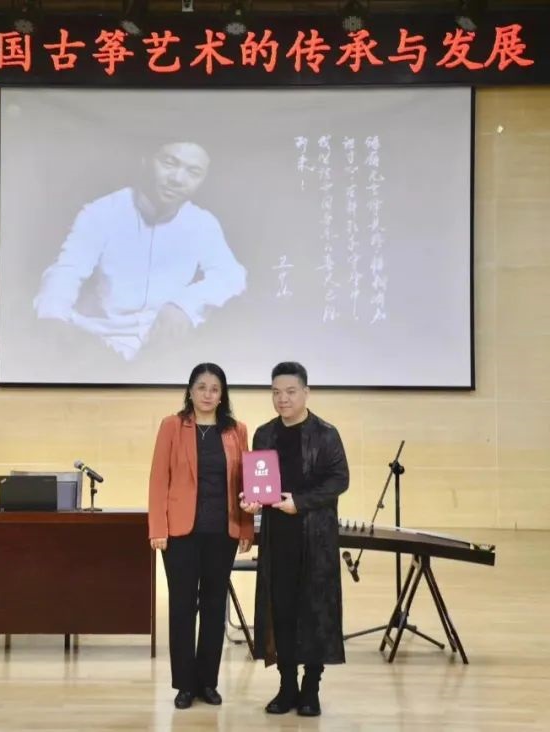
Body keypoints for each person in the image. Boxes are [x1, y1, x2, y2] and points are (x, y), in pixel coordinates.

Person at [33, 140, 246, 361]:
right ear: (146, 161)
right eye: (169, 163)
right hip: (97, 342)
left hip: (165, 348)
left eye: (193, 172)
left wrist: (183, 304)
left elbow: (231, 275)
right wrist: (52, 314)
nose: (177, 179)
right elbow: (68, 269)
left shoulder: (203, 223)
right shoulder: (102, 212)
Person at [240, 361, 348, 717]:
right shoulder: (264, 434)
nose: (282, 399)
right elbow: (258, 484)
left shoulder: (326, 434)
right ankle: (287, 686)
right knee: (281, 611)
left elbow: (339, 480)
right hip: (278, 538)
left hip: (316, 538)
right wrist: (251, 501)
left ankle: (310, 688)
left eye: (289, 392)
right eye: (276, 392)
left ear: (306, 392)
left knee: (315, 611)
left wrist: (299, 502)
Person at [148, 363, 253, 709]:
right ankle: (185, 684)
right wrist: (158, 528)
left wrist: (246, 527)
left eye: (215, 389)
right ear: (190, 391)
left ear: (223, 395)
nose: (208, 394)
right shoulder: (172, 426)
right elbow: (158, 479)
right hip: (180, 533)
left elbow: (245, 484)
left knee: (213, 607)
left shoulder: (236, 430)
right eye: (202, 387)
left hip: (222, 532)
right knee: (181, 607)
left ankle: (208, 682)